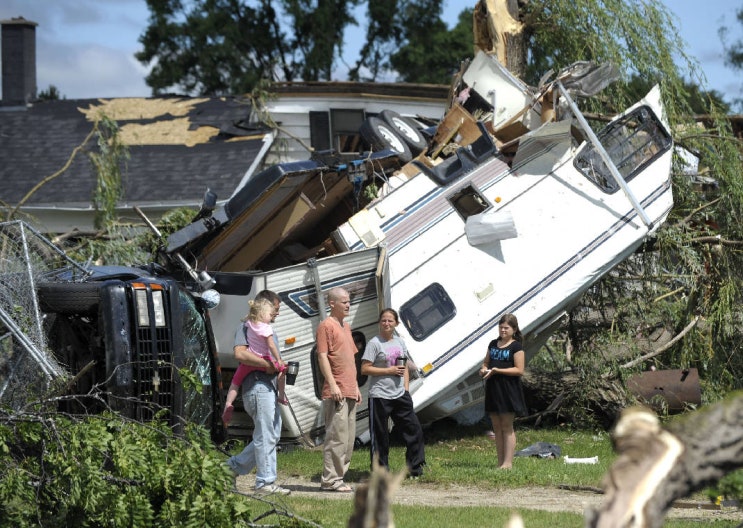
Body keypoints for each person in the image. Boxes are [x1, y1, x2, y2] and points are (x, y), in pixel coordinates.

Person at [225, 290, 290, 495]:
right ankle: (265, 482)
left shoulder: (268, 329)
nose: (277, 313)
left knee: (271, 435)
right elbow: (240, 354)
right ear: (265, 305)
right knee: (265, 435)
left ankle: (229, 469)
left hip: (268, 388)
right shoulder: (246, 326)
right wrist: (267, 366)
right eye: (276, 309)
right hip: (257, 386)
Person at [361, 308, 426, 477]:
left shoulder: (399, 342)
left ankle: (415, 467)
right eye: (383, 320)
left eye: (390, 320)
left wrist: (405, 389)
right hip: (379, 395)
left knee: (414, 429)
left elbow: (403, 367)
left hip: (399, 394)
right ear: (379, 323)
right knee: (380, 435)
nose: (387, 323)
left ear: (396, 323)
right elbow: (365, 369)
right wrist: (388, 371)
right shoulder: (374, 343)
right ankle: (381, 471)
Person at [316, 287, 361, 492]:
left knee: (348, 439)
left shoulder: (346, 326)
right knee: (336, 437)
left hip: (350, 389)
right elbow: (322, 356)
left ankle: (339, 478)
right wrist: (333, 384)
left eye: (349, 301)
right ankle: (330, 480)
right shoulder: (326, 325)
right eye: (344, 301)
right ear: (332, 304)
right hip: (337, 391)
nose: (348, 304)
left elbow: (350, 358)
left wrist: (357, 386)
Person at [222, 298, 287, 425]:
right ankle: (281, 396)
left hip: (248, 363)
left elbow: (246, 319)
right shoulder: (267, 329)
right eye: (270, 314)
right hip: (264, 360)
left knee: (235, 383)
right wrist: (278, 360)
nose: (273, 316)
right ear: (262, 314)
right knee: (282, 372)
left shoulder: (249, 324)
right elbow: (271, 346)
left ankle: (228, 404)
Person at [479, 313, 527, 470]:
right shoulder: (493, 344)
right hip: (493, 389)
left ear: (514, 329)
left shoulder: (516, 346)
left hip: (508, 390)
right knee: (496, 426)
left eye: (506, 328)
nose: (503, 330)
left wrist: (499, 370)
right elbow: (486, 362)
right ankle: (500, 462)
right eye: (500, 327)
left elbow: (519, 370)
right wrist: (484, 369)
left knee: (507, 426)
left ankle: (508, 463)